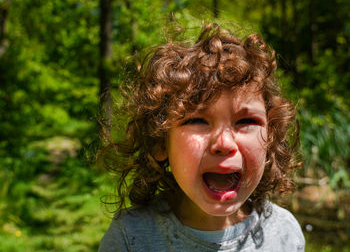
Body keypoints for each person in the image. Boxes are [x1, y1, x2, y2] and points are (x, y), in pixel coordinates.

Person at [98, 22, 305, 252]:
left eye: (246, 121)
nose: (224, 143)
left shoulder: (284, 234)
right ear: (160, 140)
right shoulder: (131, 238)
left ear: (270, 136)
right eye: (197, 121)